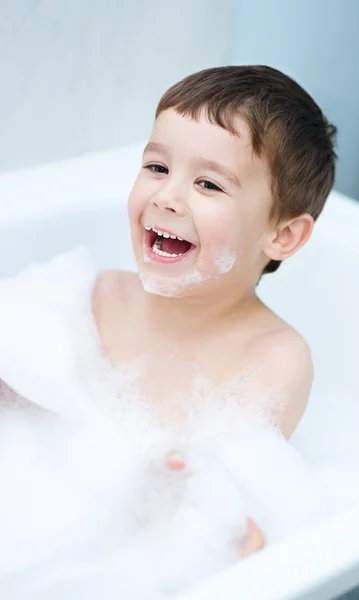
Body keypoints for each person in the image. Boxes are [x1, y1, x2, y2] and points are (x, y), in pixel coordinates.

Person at [0, 65, 337, 561]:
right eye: (157, 167)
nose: (166, 196)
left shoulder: (272, 359)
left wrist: (213, 525)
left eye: (208, 184)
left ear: (283, 236)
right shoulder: (84, 297)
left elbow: (220, 492)